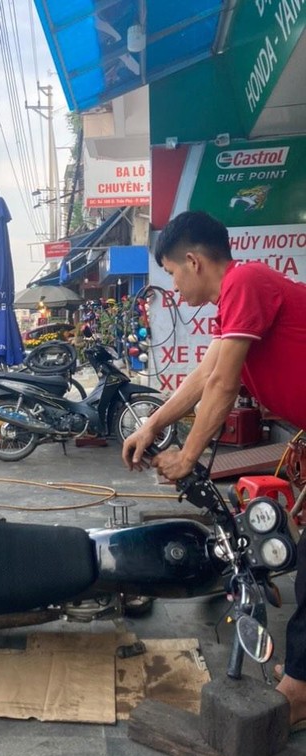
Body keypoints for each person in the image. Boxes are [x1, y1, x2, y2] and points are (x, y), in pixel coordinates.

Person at [121, 210, 306, 728]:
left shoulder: (244, 280)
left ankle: (299, 690)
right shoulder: (234, 303)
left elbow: (224, 386)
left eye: (174, 274)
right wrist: (151, 426)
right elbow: (204, 376)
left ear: (194, 261)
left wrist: (188, 456)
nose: (175, 287)